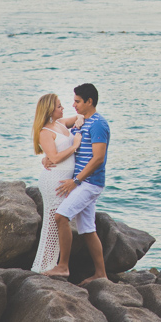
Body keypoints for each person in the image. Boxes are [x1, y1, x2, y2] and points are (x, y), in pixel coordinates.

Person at [42, 82, 110, 284]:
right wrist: (46, 157)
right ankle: (101, 274)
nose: (74, 105)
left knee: (61, 216)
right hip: (82, 182)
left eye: (78, 101)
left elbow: (98, 158)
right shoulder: (83, 122)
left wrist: (76, 181)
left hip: (89, 183)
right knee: (88, 230)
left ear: (89, 101)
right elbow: (60, 140)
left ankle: (63, 266)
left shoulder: (98, 124)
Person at [30, 94, 82, 272]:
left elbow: (80, 116)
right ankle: (45, 266)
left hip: (63, 179)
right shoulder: (45, 132)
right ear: (50, 110)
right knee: (53, 223)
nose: (63, 108)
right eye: (59, 106)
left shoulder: (60, 123)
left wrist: (80, 120)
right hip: (53, 181)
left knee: (56, 222)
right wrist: (74, 145)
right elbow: (55, 158)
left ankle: (51, 265)